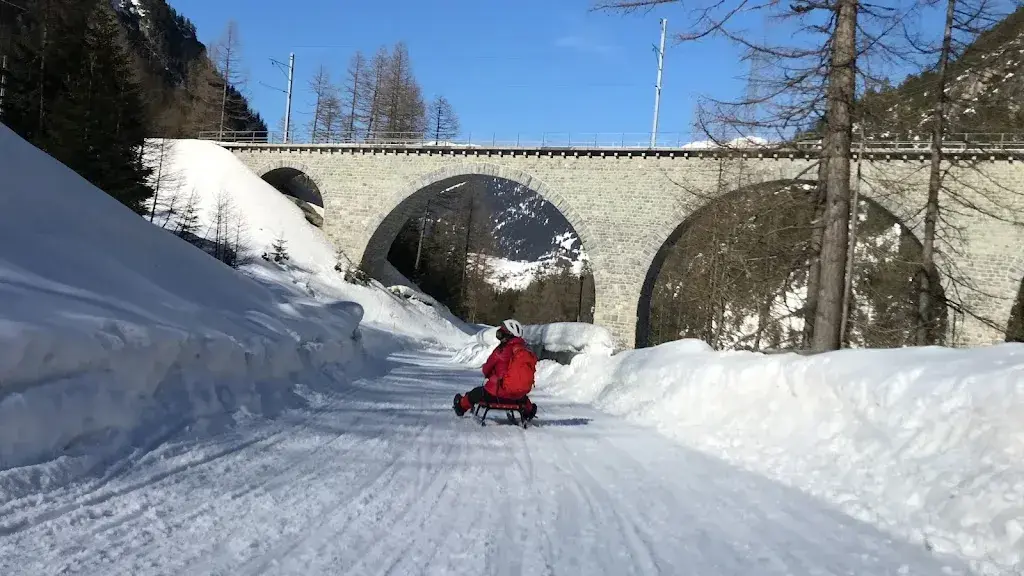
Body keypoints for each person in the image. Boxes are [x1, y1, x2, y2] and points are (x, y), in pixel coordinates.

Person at [453, 319, 538, 420]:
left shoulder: (501, 350)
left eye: (502, 330)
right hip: (518, 396)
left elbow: (486, 370)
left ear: (507, 333)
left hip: (497, 395)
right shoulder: (525, 350)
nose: (499, 332)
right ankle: (528, 410)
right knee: (520, 396)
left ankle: (461, 406)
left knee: (476, 393)